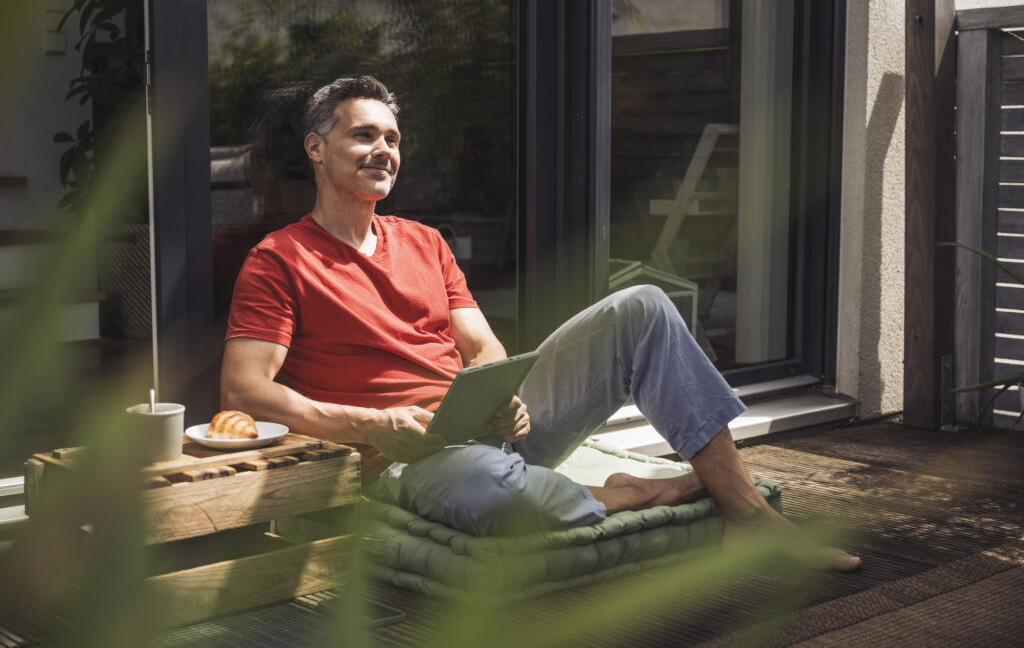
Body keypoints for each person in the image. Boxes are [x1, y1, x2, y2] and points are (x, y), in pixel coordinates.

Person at [221, 76, 860, 570]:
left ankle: (746, 509)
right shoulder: (280, 259)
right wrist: (370, 423)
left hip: (483, 431)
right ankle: (637, 494)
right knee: (491, 495)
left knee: (641, 305)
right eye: (364, 136)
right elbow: (245, 391)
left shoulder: (425, 242)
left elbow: (481, 344)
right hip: (404, 457)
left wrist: (503, 397)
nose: (383, 151)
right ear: (316, 148)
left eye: (392, 139)